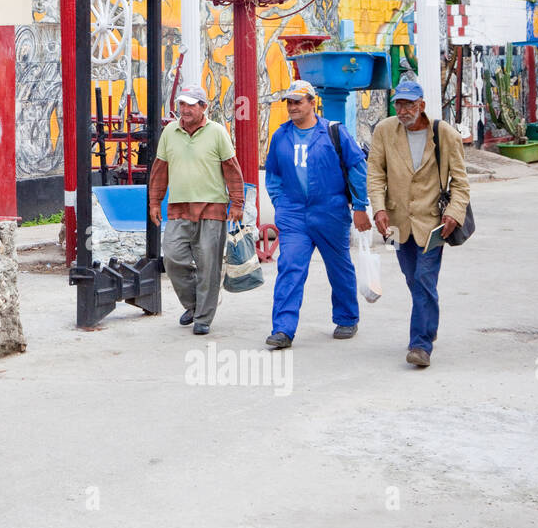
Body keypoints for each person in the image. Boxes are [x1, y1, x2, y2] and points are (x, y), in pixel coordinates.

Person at [367, 78, 470, 367]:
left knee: (425, 278)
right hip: (397, 222)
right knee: (413, 280)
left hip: (433, 224)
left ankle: (420, 345)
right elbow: (375, 173)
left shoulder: (444, 134)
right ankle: (429, 323)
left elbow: (461, 183)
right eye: (398, 103)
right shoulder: (385, 131)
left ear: (421, 105)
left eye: (409, 104)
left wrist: (453, 212)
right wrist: (378, 208)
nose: (402, 110)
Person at [262, 80, 372, 349]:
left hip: (330, 211)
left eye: (298, 102)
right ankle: (283, 329)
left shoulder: (334, 132)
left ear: (313, 103)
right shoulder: (280, 136)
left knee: (339, 266)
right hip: (294, 214)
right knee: (290, 267)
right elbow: (273, 174)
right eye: (289, 102)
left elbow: (357, 167)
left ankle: (347, 317)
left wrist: (360, 206)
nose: (292, 107)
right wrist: (281, 205)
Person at [147, 85, 244, 335]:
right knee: (173, 258)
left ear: (203, 107)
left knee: (208, 266)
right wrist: (155, 202)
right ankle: (193, 304)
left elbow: (232, 170)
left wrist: (237, 203)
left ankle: (202, 317)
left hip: (212, 209)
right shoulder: (170, 131)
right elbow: (160, 170)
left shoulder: (217, 133)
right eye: (182, 104)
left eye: (191, 105)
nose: (185, 109)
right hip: (179, 208)